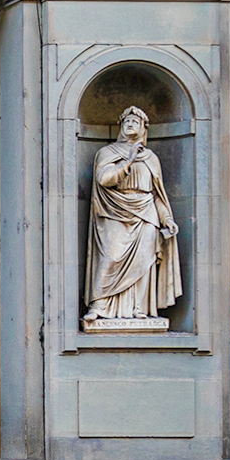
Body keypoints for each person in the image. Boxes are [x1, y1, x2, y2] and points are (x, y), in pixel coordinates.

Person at [83, 105, 181, 322]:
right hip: (113, 212)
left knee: (143, 262)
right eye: (127, 121)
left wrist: (167, 219)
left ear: (143, 128)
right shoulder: (107, 152)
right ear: (120, 126)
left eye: (135, 122)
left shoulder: (151, 158)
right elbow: (104, 180)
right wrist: (127, 160)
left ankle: (139, 308)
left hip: (146, 213)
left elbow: (156, 195)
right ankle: (99, 305)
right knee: (109, 258)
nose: (130, 124)